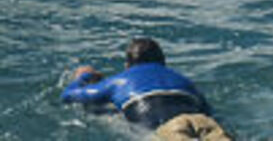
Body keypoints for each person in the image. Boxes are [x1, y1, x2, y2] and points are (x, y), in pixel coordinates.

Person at [59, 37, 233, 139]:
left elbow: (68, 95)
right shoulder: (185, 81)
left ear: (128, 66)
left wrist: (85, 76)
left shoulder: (119, 81)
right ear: (163, 63)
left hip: (169, 129)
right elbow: (212, 113)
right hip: (202, 121)